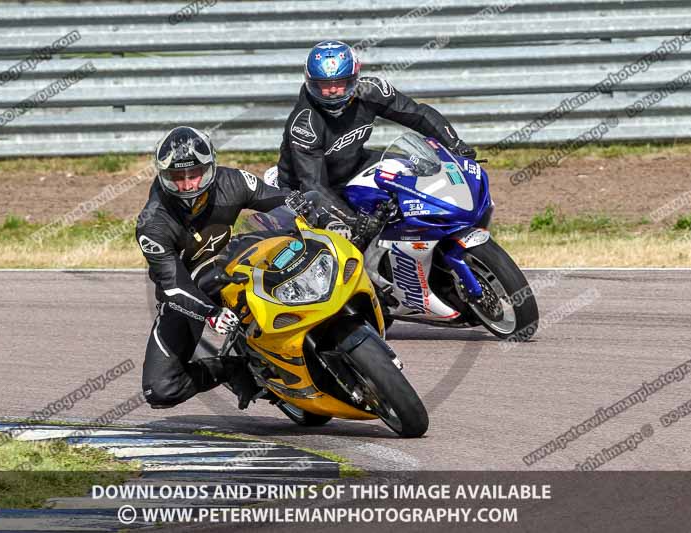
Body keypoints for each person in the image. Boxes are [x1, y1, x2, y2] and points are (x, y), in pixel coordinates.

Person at [267, 39, 477, 244]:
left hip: (354, 164)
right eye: (324, 85)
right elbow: (313, 184)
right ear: (310, 82)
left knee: (416, 172)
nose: (332, 91)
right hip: (306, 190)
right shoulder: (305, 124)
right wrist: (353, 220)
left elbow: (417, 114)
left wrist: (455, 145)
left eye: (340, 83)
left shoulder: (371, 90)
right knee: (343, 243)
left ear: (354, 78)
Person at [136, 126, 286, 410]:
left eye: (194, 174)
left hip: (243, 265)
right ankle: (233, 368)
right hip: (191, 294)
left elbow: (284, 202)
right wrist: (210, 313)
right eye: (177, 177)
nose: (188, 185)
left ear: (210, 167)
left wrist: (316, 211)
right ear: (162, 175)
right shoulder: (152, 224)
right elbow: (173, 286)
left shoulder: (234, 181)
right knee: (160, 389)